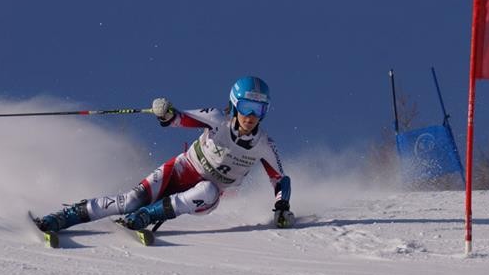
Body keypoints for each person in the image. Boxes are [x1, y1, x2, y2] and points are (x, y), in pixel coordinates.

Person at [34, 76, 294, 233]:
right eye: (247, 107)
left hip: (203, 197)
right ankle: (60, 219)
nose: (250, 117)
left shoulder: (264, 145)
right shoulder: (218, 119)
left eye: (258, 110)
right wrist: (166, 112)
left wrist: (282, 206)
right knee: (131, 200)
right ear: (235, 104)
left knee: (208, 190)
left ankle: (147, 217)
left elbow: (280, 180)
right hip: (179, 171)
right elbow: (180, 118)